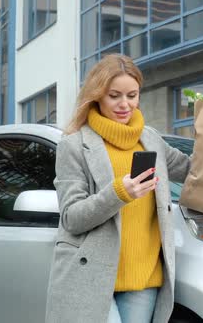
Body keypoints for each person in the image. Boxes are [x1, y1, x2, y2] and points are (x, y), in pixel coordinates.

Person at [45, 54, 190, 323]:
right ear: (97, 95)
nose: (125, 104)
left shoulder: (151, 140)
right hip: (90, 277)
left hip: (143, 278)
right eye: (114, 96)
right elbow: (72, 218)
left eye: (132, 95)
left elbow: (195, 172)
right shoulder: (73, 145)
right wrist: (119, 193)